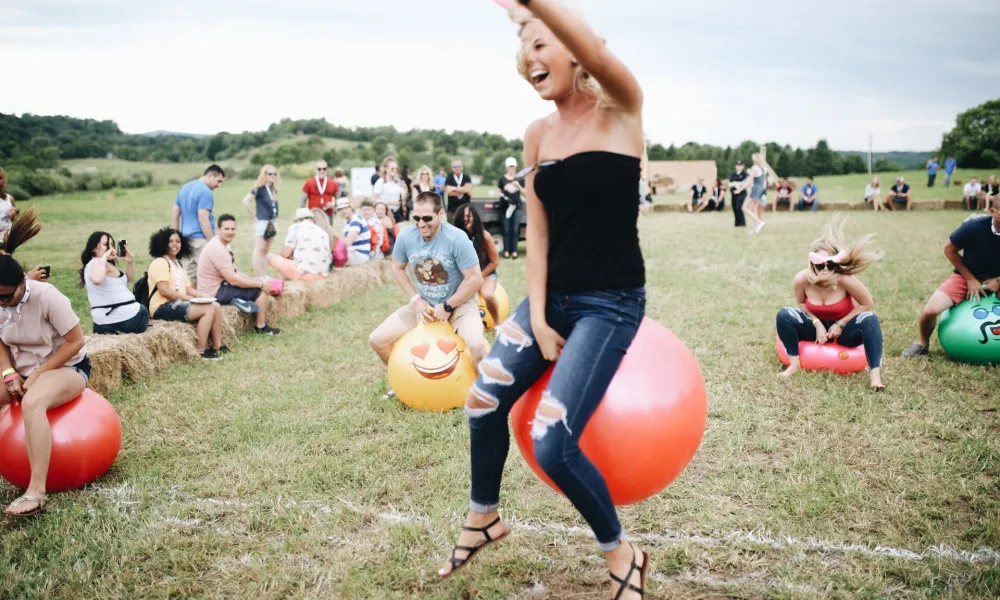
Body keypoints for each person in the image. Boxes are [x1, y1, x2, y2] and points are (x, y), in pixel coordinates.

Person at [436, 2, 651, 596]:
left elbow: (603, 56)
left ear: (575, 49)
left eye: (539, 43)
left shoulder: (621, 110)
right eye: (521, 48)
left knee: (553, 441)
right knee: (481, 401)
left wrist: (531, 4)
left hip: (610, 303)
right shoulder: (537, 137)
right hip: (551, 299)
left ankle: (623, 554)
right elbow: (538, 240)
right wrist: (538, 317)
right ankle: (485, 516)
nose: (527, 57)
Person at [0, 208, 90, 517]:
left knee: (32, 403)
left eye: (5, 297)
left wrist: (38, 373)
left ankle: (36, 492)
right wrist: (8, 372)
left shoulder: (48, 296)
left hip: (66, 367)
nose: (1, 303)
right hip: (21, 370)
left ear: (22, 284)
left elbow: (76, 342)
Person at [368, 191, 486, 369]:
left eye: (427, 218)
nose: (421, 224)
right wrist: (416, 300)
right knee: (377, 340)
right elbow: (397, 267)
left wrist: (448, 306)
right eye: (416, 218)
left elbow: (475, 279)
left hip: (460, 305)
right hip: (425, 307)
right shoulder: (406, 236)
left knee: (477, 346)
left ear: (440, 214)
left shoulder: (457, 238)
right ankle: (403, 381)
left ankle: (484, 391)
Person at [776, 219, 885, 391]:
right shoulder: (802, 280)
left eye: (830, 263)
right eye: (820, 264)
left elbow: (866, 303)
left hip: (844, 332)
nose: (825, 269)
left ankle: (875, 376)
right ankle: (794, 365)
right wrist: (816, 323)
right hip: (814, 330)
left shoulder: (845, 280)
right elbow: (800, 304)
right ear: (812, 263)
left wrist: (841, 323)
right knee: (784, 314)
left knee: (870, 319)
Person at [903, 196, 1000, 358]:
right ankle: (922, 345)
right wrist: (970, 279)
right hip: (966, 276)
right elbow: (949, 249)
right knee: (930, 311)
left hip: (997, 277)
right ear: (993, 212)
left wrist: (998, 281)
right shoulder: (974, 227)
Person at [146, 227, 224, 360]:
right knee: (208, 310)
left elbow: (188, 288)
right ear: (162, 243)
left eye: (178, 241)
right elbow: (165, 291)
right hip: (162, 307)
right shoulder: (160, 262)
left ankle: (217, 346)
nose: (175, 245)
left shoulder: (177, 264)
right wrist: (190, 300)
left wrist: (203, 297)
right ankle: (200, 351)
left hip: (177, 302)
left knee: (214, 305)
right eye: (170, 241)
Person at [197, 215, 281, 336]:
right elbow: (233, 280)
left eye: (233, 229)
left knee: (254, 283)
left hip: (220, 285)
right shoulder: (217, 248)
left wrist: (253, 280)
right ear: (218, 229)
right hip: (213, 292)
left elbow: (234, 273)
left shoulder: (222, 244)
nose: (230, 232)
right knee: (260, 291)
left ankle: (236, 299)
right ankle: (261, 327)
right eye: (226, 229)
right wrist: (261, 284)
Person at [79, 232, 148, 335]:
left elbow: (129, 278)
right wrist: (104, 257)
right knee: (143, 308)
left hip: (104, 323)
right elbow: (97, 280)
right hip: (126, 320)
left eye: (112, 245)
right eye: (106, 245)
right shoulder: (97, 262)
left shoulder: (103, 264)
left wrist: (130, 261)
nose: (111, 248)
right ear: (94, 248)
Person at [171, 164, 225, 287]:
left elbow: (174, 214)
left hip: (186, 240)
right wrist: (212, 241)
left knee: (190, 278)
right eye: (218, 181)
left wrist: (175, 237)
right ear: (210, 175)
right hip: (201, 240)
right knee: (209, 276)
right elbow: (203, 218)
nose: (219, 185)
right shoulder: (206, 192)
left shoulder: (185, 187)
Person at [452, 203, 501, 324]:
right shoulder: (457, 238)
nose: (465, 218)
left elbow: (495, 262)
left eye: (468, 215)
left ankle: (497, 325)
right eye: (463, 216)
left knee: (488, 295)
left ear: (475, 217)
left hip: (486, 274)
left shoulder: (485, 236)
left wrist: (478, 277)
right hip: (466, 276)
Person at [267, 208, 332, 281]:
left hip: (304, 274)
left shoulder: (295, 227)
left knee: (271, 257)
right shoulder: (323, 232)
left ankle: (280, 283)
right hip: (323, 276)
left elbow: (286, 253)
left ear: (298, 220)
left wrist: (279, 255)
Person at [242, 165, 280, 278]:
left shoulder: (274, 189)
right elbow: (245, 201)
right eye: (270, 174)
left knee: (266, 249)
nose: (272, 176)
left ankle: (264, 273)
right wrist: (254, 216)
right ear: (264, 175)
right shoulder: (259, 188)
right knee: (260, 249)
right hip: (263, 221)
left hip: (272, 220)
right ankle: (259, 275)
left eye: (274, 174)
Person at [498, 157, 526, 257]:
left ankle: (514, 251)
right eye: (510, 167)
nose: (511, 169)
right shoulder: (502, 179)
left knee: (515, 229)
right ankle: (506, 251)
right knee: (506, 229)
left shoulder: (520, 179)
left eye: (513, 167)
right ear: (506, 167)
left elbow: (525, 193)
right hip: (505, 208)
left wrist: (518, 186)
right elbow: (499, 191)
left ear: (516, 167)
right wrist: (503, 196)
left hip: (517, 207)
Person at [335, 198, 372, 266]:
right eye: (340, 209)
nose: (343, 211)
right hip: (353, 252)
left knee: (334, 258)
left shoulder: (356, 221)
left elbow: (347, 242)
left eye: (345, 208)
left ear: (350, 208)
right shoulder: (346, 223)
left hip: (360, 255)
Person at [301, 160, 338, 226]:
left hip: (328, 214)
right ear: (316, 169)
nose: (322, 171)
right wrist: (303, 214)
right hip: (313, 214)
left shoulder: (333, 183)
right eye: (319, 169)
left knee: (327, 234)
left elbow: (338, 200)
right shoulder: (309, 182)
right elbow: (303, 200)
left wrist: (333, 204)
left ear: (327, 169)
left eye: (324, 169)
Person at [373, 156, 408, 223]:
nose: (395, 170)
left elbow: (404, 197)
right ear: (386, 168)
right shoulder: (380, 182)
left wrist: (405, 189)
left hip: (397, 212)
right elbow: (375, 200)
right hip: (385, 213)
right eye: (392, 168)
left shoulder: (398, 181)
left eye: (396, 168)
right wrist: (389, 202)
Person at [745, 153, 768, 233]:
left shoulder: (754, 168)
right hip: (761, 189)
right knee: (753, 208)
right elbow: (764, 181)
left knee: (744, 207)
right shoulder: (764, 168)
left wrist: (741, 188)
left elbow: (750, 181)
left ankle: (759, 222)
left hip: (755, 189)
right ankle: (755, 228)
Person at [0, 167, 19, 241]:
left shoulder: (10, 199)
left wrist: (14, 216)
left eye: (3, 178)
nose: (3, 181)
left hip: (8, 239)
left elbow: (14, 221)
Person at [729, 160, 749, 227]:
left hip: (742, 193)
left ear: (743, 166)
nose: (739, 167)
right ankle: (737, 223)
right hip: (733, 193)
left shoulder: (745, 175)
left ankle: (742, 223)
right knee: (734, 208)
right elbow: (730, 183)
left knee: (739, 207)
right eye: (738, 165)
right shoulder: (733, 175)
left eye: (740, 165)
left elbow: (745, 183)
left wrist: (736, 184)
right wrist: (735, 184)